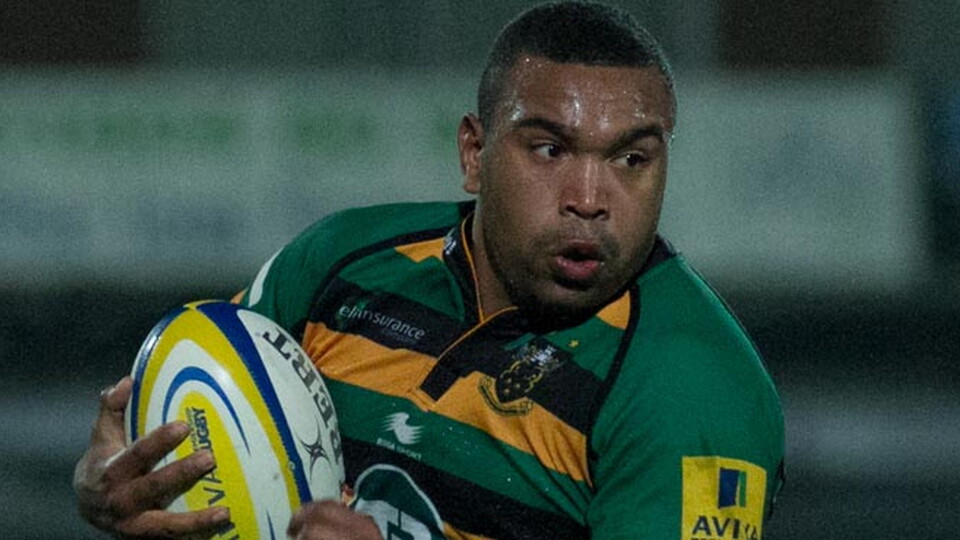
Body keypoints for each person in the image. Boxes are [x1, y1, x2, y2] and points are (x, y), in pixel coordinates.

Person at [74, 2, 785, 539]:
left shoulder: (694, 389)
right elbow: (201, 427)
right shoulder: (341, 264)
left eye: (631, 158)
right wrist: (118, 484)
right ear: (475, 153)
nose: (590, 200)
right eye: (549, 150)